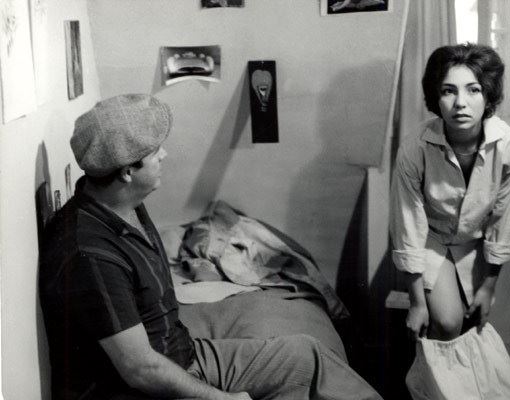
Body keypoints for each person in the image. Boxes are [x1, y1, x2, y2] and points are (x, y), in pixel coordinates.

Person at [39, 94, 382, 400]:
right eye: (155, 151)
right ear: (128, 172)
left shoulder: (124, 203)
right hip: (143, 388)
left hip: (182, 355)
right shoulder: (89, 253)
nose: (164, 154)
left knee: (308, 357)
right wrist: (219, 398)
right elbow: (140, 369)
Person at [390, 43, 510, 341]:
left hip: (475, 243)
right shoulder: (414, 148)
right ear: (435, 97)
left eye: (473, 90)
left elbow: (505, 221)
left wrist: (489, 286)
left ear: (488, 95)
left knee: (474, 326)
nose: (460, 103)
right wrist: (417, 302)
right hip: (430, 239)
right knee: (448, 322)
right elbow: (408, 224)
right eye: (448, 91)